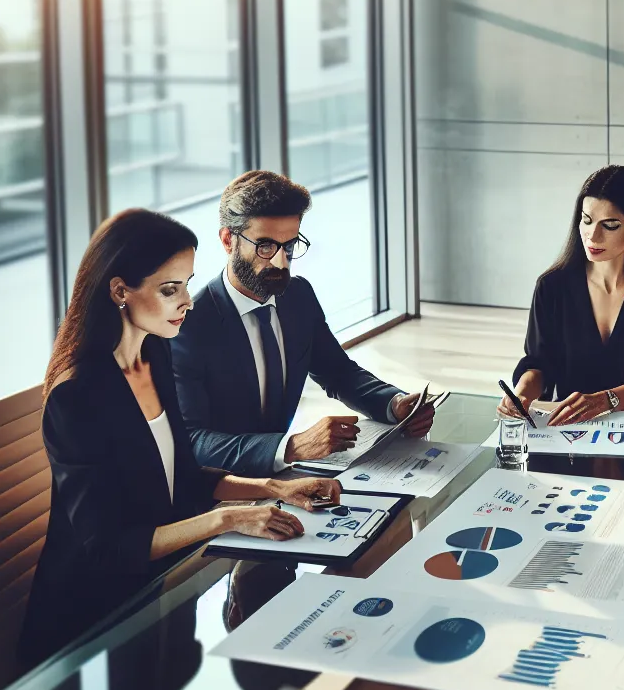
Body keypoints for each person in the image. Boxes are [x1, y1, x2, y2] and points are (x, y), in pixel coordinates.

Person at [22, 208, 341, 666]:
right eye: (170, 290)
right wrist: (227, 519)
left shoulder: (155, 354)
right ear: (119, 291)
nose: (187, 301)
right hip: (93, 629)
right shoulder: (78, 396)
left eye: (187, 283)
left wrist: (275, 488)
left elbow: (182, 476)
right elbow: (108, 548)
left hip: (167, 598)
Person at [173, 170, 436, 476]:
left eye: (289, 246)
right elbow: (193, 441)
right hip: (221, 489)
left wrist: (394, 403)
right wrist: (292, 447)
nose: (281, 263)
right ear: (228, 240)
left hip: (288, 475)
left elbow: (338, 372)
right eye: (265, 247)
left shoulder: (298, 295)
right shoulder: (188, 326)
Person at [499, 165, 624, 426]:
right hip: (569, 431)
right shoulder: (552, 286)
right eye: (586, 220)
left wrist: (606, 400)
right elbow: (539, 363)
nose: (593, 236)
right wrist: (521, 394)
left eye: (609, 225)